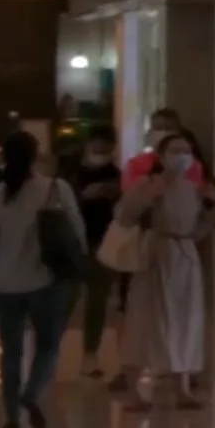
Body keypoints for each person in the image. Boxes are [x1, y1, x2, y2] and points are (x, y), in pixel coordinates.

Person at [0, 132, 82, 428]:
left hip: (2, 283)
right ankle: (31, 393)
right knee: (48, 344)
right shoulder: (55, 188)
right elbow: (76, 231)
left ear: (4, 158)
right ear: (35, 155)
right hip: (46, 281)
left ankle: (12, 419)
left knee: (11, 350)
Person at [109, 125, 215, 410]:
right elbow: (125, 216)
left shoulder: (195, 189)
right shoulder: (146, 184)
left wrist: (214, 209)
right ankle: (134, 390)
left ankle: (182, 387)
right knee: (144, 319)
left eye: (187, 151)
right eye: (175, 151)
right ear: (160, 156)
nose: (182, 156)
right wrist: (150, 194)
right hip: (154, 254)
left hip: (184, 256)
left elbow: (197, 230)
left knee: (186, 321)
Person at [69, 129, 124, 378]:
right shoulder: (69, 171)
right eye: (97, 146)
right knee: (64, 300)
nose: (101, 152)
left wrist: (111, 192)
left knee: (97, 302)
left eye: (106, 148)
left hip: (103, 243)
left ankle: (90, 354)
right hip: (71, 244)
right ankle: (48, 353)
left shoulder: (117, 176)